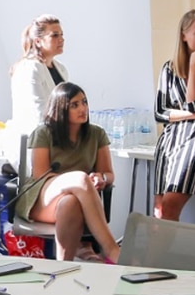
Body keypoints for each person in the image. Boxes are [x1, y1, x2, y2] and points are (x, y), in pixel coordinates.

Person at [13, 82, 122, 262]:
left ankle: (63, 266)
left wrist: (100, 177)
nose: (83, 108)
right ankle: (111, 250)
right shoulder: (43, 132)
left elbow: (109, 174)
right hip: (41, 196)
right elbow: (41, 174)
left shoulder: (96, 134)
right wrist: (76, 184)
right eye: (75, 105)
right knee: (79, 179)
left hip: (74, 200)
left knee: (70, 202)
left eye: (84, 102)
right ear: (61, 108)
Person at [154, 10, 195, 220]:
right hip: (169, 143)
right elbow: (160, 112)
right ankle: (160, 253)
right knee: (159, 210)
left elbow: (194, 104)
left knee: (169, 207)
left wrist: (194, 67)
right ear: (184, 35)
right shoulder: (169, 68)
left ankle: (159, 253)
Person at [8, 14, 68, 148]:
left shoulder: (61, 69)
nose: (61, 39)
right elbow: (39, 112)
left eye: (62, 35)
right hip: (36, 141)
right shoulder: (29, 68)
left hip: (59, 137)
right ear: (38, 41)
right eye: (55, 35)